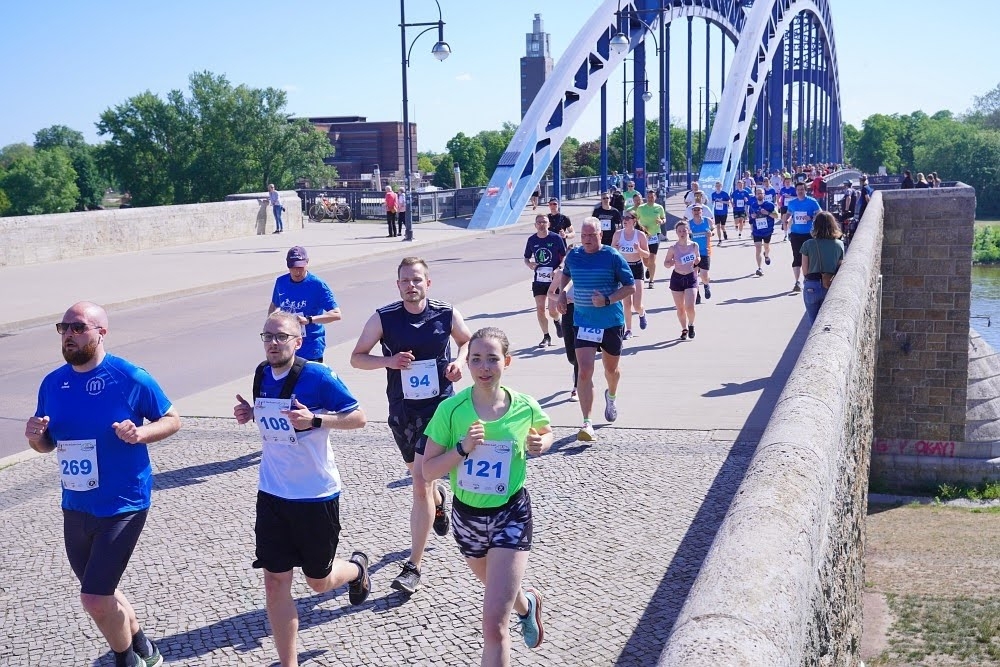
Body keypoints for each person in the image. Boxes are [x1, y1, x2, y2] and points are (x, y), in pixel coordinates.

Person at [27, 301, 181, 667]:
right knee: (102, 590)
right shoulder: (52, 383)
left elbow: (173, 419)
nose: (69, 335)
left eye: (79, 328)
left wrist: (140, 433)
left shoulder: (129, 376)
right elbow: (47, 443)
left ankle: (126, 659)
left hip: (123, 503)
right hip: (76, 505)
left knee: (94, 598)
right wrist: (36, 437)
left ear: (101, 333)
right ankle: (143, 645)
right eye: (64, 328)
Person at [233, 311, 370, 667]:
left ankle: (356, 570)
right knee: (276, 583)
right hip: (273, 493)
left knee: (318, 582)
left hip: (315, 496)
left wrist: (316, 420)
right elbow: (274, 420)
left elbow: (359, 417)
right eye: (268, 336)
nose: (273, 343)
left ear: (298, 341)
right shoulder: (262, 374)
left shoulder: (319, 377)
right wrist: (252, 413)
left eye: (281, 337)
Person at [421, 326, 554, 664]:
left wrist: (541, 443)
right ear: (468, 364)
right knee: (502, 595)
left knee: (494, 625)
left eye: (492, 359)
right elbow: (428, 472)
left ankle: (516, 610)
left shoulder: (524, 406)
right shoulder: (451, 410)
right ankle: (527, 604)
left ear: (506, 362)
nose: (483, 367)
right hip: (467, 519)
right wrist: (462, 449)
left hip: (511, 515)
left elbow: (545, 431)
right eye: (476, 359)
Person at [350, 257, 472, 594]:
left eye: (417, 279)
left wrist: (459, 363)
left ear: (427, 283)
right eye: (405, 280)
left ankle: (413, 567)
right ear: (398, 284)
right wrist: (388, 361)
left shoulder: (445, 313)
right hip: (403, 412)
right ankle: (438, 499)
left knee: (420, 482)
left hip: (440, 409)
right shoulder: (384, 317)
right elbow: (356, 357)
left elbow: (467, 341)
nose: (411, 285)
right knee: (423, 478)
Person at [556, 218, 635, 441]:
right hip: (584, 321)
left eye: (592, 235)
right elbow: (566, 274)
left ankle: (611, 395)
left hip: (610, 322)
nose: (588, 240)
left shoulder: (612, 256)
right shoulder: (575, 255)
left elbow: (630, 287)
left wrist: (608, 299)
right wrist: (562, 293)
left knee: (611, 370)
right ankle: (587, 423)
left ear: (601, 235)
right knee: (584, 371)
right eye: (584, 236)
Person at [268, 246, 342, 363]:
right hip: (287, 346)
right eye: (293, 267)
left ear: (307, 263)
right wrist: (272, 323)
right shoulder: (281, 282)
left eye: (300, 267)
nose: (297, 271)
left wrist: (309, 320)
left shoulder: (317, 285)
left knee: (308, 380)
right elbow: (274, 305)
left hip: (310, 347)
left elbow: (336, 314)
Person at [524, 215, 568, 347]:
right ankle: (546, 336)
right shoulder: (532, 240)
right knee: (540, 308)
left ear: (548, 224)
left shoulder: (555, 238)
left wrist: (559, 268)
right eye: (539, 222)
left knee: (552, 310)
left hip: (553, 279)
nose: (541, 224)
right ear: (535, 225)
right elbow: (526, 258)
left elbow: (565, 255)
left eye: (544, 222)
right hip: (539, 279)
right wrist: (530, 264)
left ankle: (556, 320)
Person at [799, 211, 845, 324]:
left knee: (813, 323)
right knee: (828, 322)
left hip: (811, 285)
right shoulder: (839, 245)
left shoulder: (808, 244)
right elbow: (839, 267)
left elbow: (805, 270)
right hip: (829, 285)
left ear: (815, 226)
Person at [611, 210, 651, 339]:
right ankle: (628, 330)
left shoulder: (640, 235)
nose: (625, 220)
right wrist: (616, 249)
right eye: (624, 217)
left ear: (634, 220)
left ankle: (641, 313)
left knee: (636, 304)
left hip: (636, 268)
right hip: (623, 269)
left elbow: (647, 255)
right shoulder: (618, 234)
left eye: (628, 217)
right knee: (626, 303)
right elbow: (611, 251)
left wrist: (638, 249)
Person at [663, 221, 700, 340]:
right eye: (680, 231)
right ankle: (684, 328)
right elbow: (666, 263)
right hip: (677, 278)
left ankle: (691, 324)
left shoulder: (694, 245)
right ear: (676, 233)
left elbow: (698, 256)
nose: (682, 233)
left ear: (688, 231)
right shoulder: (673, 248)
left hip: (690, 277)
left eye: (684, 230)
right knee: (680, 308)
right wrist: (670, 263)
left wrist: (697, 260)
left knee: (690, 307)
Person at [785, 181, 822, 293]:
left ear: (806, 190)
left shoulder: (812, 202)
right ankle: (797, 282)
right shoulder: (792, 203)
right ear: (796, 191)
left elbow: (820, 213)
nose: (800, 191)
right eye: (798, 190)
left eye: (802, 189)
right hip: (795, 234)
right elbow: (788, 213)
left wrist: (811, 217)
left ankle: (808, 279)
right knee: (796, 257)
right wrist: (786, 220)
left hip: (808, 234)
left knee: (809, 258)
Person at [548, 267, 578, 400]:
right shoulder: (561, 274)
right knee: (571, 356)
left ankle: (576, 387)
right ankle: (578, 369)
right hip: (567, 312)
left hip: (584, 311)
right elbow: (550, 293)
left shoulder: (585, 270)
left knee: (580, 353)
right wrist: (562, 298)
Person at [636, 190, 666, 289]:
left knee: (652, 258)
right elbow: (636, 220)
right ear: (646, 198)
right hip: (644, 235)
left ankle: (651, 280)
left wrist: (661, 221)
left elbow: (663, 219)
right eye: (648, 197)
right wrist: (642, 228)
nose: (650, 198)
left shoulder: (659, 207)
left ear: (655, 197)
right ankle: (648, 268)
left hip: (654, 235)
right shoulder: (641, 208)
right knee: (645, 260)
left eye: (652, 197)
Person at [748, 186, 778, 276]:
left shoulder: (769, 205)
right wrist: (751, 229)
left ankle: (767, 255)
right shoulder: (753, 206)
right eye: (758, 193)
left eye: (761, 193)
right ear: (755, 195)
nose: (759, 195)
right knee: (758, 249)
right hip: (757, 231)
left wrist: (767, 213)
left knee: (766, 247)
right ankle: (759, 268)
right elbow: (750, 220)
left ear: (764, 195)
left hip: (767, 230)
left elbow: (776, 216)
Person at [687, 203, 713, 302]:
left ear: (702, 211)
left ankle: (706, 285)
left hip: (705, 251)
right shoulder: (689, 224)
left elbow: (712, 229)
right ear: (692, 212)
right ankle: (696, 294)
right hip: (692, 252)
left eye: (699, 210)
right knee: (694, 275)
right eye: (695, 210)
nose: (697, 212)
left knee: (704, 275)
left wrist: (711, 233)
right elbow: (685, 236)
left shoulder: (707, 221)